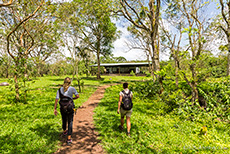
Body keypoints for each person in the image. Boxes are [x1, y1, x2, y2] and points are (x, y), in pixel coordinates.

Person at [54, 77, 79, 145]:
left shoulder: (59, 90)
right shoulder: (72, 89)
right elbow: (77, 96)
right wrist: (72, 98)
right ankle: (69, 139)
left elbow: (56, 99)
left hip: (62, 108)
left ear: (63, 82)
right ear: (70, 82)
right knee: (70, 121)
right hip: (70, 107)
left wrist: (55, 109)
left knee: (64, 119)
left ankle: (65, 131)